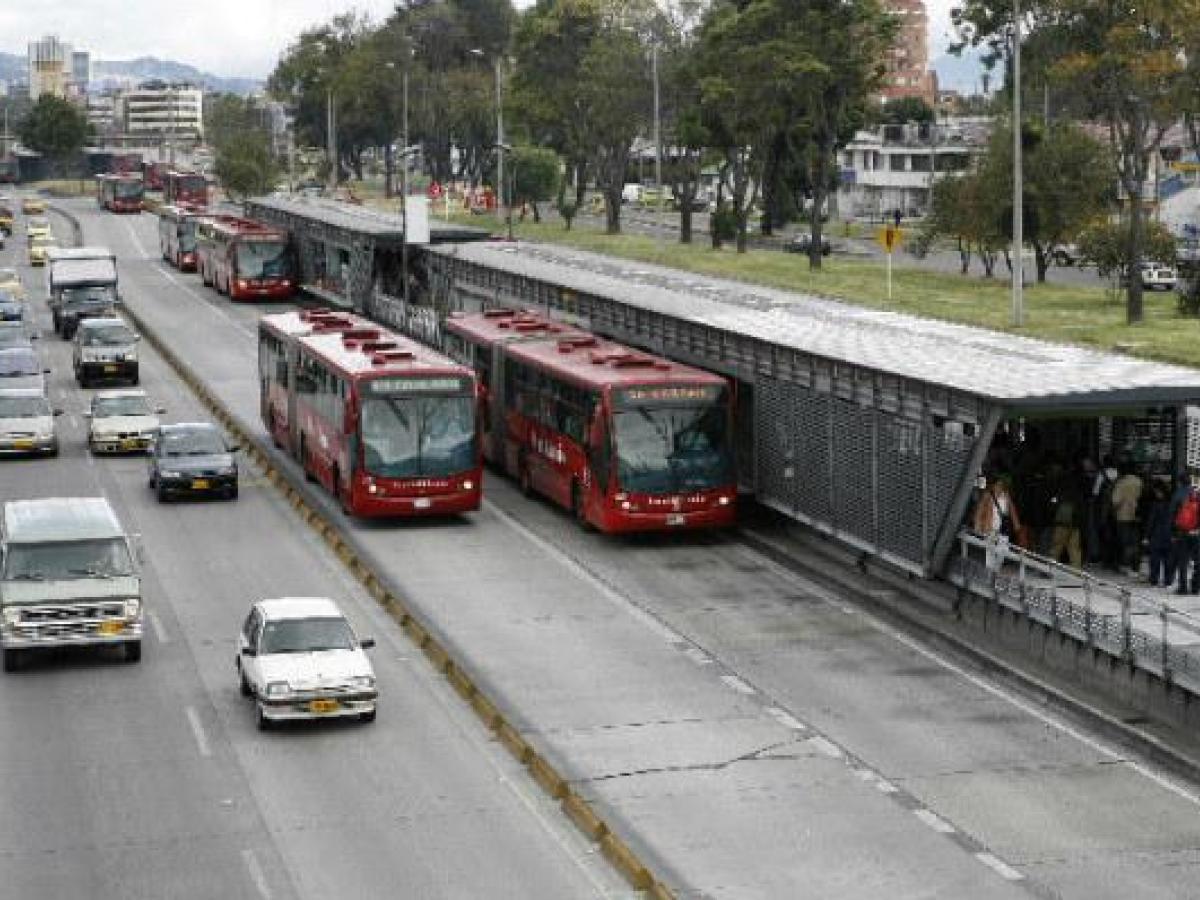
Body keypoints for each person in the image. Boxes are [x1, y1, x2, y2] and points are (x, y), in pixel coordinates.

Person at [973, 471, 1022, 571]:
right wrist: (977, 526)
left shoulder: (1006, 496)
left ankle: (995, 570)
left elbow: (1012, 511)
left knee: (1003, 552)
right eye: (998, 484)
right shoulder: (988, 495)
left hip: (1003, 529)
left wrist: (1017, 525)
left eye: (1001, 485)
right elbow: (980, 511)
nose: (999, 486)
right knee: (990, 552)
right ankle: (989, 573)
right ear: (994, 485)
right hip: (990, 529)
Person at [1049, 459, 1085, 568]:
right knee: (1074, 547)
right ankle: (1076, 569)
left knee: (1057, 545)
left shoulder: (1062, 483)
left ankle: (1050, 567)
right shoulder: (1080, 483)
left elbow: (1055, 499)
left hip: (1063, 518)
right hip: (1076, 519)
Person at [1168, 471, 1200, 595]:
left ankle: (1183, 588)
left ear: (1179, 481)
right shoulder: (1196, 494)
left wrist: (1172, 533)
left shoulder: (1177, 494)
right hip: (1196, 532)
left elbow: (1171, 515)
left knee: (1183, 561)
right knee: (1198, 561)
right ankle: (1196, 586)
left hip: (1182, 532)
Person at [1110, 460, 1144, 576]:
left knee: (1125, 542)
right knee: (1135, 542)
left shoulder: (1121, 483)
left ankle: (1126, 565)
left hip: (1123, 516)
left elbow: (1115, 501)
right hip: (1136, 515)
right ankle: (1136, 566)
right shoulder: (1138, 481)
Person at [1144, 478, 1175, 587]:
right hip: (1170, 535)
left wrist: (1146, 536)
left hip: (1157, 536)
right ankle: (1168, 580)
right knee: (1168, 559)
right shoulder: (1173, 504)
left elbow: (1150, 522)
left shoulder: (1156, 505)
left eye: (1156, 492)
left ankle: (1154, 579)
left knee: (1155, 560)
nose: (1155, 494)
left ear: (1159, 491)